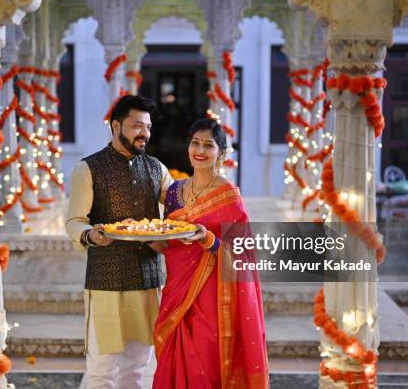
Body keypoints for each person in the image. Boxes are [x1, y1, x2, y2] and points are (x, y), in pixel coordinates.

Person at [151, 118, 269, 388]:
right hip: (177, 290)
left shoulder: (228, 194)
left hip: (213, 296)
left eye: (208, 145)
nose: (200, 150)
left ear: (221, 153)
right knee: (174, 356)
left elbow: (243, 254)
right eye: (195, 142)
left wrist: (209, 238)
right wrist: (139, 234)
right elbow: (168, 241)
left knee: (206, 359)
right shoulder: (174, 192)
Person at [66, 95, 173, 389]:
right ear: (116, 126)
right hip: (106, 281)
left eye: (148, 127)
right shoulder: (89, 169)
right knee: (101, 369)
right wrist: (90, 234)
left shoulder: (156, 168)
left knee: (138, 368)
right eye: (137, 126)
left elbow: (181, 207)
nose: (145, 133)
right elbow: (75, 221)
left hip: (148, 279)